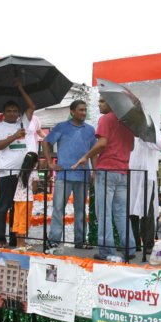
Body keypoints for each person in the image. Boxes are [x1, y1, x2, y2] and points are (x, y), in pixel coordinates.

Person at [73, 96, 135, 262]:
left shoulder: (106, 119)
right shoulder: (128, 121)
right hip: (123, 171)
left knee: (104, 213)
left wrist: (86, 156)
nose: (99, 104)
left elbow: (102, 143)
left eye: (102, 101)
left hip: (107, 169)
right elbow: (131, 146)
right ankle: (129, 247)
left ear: (113, 102)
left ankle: (106, 250)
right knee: (121, 212)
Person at [42, 100, 96, 251]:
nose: (83, 112)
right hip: (64, 175)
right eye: (80, 110)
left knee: (81, 210)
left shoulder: (90, 130)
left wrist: (95, 172)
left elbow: (94, 152)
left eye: (85, 110)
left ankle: (80, 241)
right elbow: (45, 142)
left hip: (83, 175)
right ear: (72, 111)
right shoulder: (62, 127)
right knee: (58, 208)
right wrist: (50, 162)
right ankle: (54, 240)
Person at [0, 81, 36, 247]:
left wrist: (20, 88)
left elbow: (32, 106)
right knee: (3, 207)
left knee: (18, 207)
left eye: (15, 111)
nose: (12, 113)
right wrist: (15, 136)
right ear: (4, 113)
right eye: (9, 111)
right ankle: (0, 238)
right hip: (6, 172)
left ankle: (15, 239)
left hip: (22, 173)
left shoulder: (22, 123)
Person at [129, 119, 161, 253]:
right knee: (131, 210)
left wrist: (142, 136)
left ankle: (148, 244)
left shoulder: (151, 127)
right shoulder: (127, 126)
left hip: (147, 176)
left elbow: (160, 145)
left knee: (147, 211)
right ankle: (134, 243)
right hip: (131, 174)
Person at [11, 152, 40, 249]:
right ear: (35, 162)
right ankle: (22, 244)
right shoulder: (34, 172)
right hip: (27, 199)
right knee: (24, 221)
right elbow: (34, 188)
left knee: (17, 220)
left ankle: (18, 244)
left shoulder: (21, 171)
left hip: (17, 199)